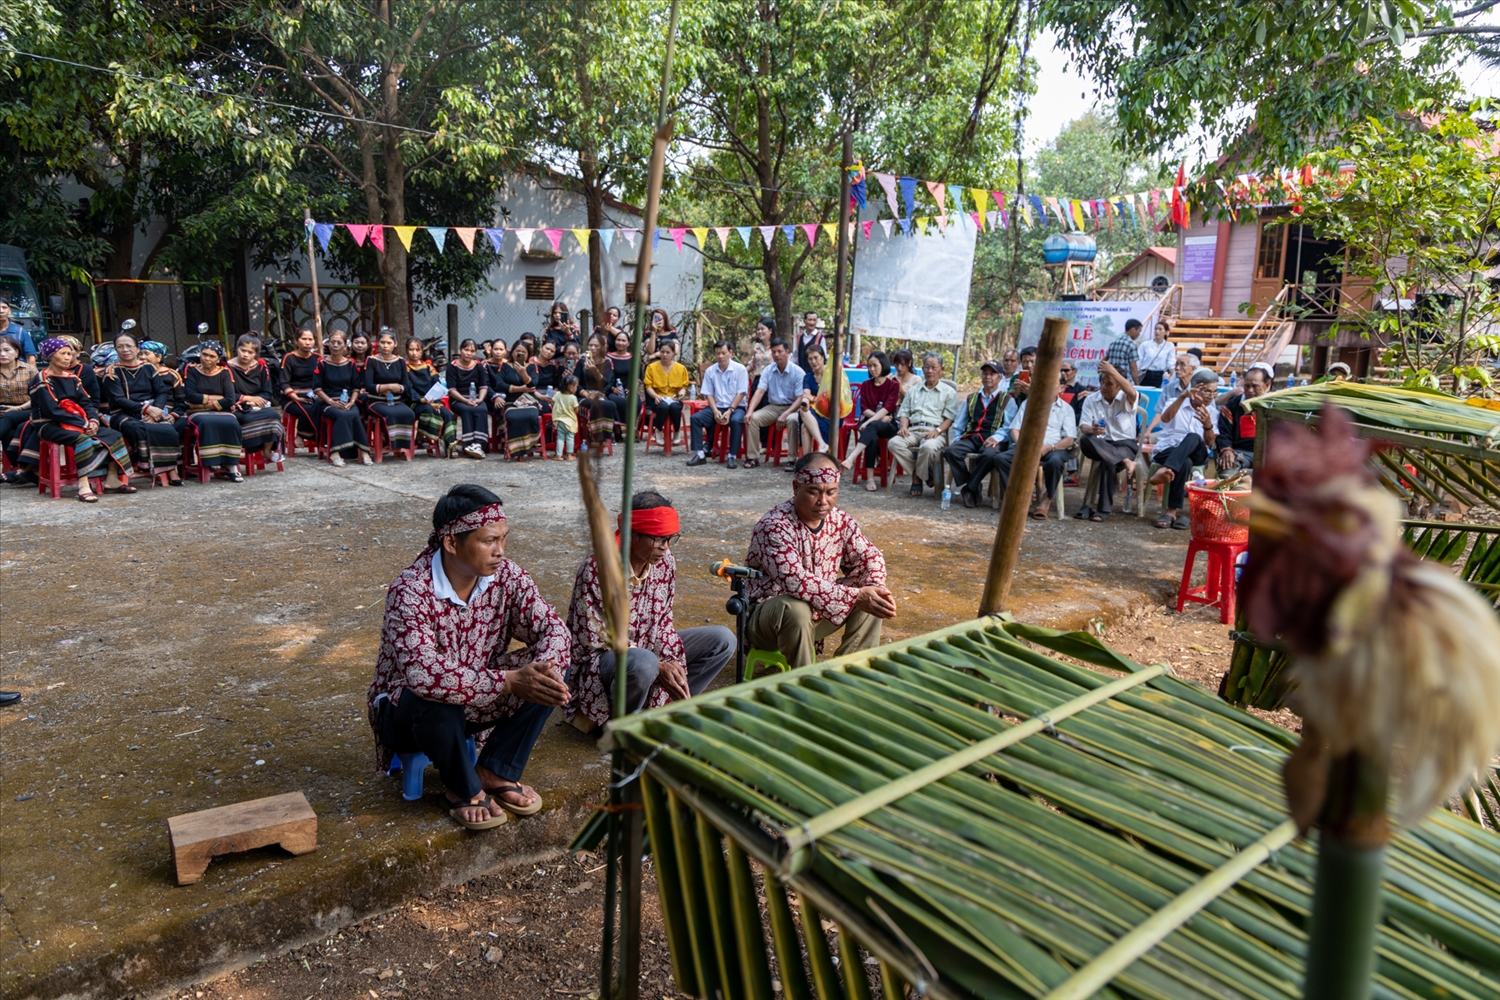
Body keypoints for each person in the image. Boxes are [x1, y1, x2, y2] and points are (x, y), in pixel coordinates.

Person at [367, 485, 571, 828]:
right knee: (431, 695)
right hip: (407, 714)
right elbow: (423, 675)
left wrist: (536, 673)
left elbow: (554, 630)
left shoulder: (508, 577)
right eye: (489, 540)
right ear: (451, 542)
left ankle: (495, 769)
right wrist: (507, 682)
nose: (500, 551)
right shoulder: (411, 590)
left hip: (478, 697)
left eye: (503, 539)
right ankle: (462, 788)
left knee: (547, 673)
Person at [566, 492, 734, 726]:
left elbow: (664, 621)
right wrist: (657, 663)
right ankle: (621, 724)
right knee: (643, 663)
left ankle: (670, 712)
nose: (665, 548)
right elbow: (596, 638)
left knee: (723, 640)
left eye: (670, 539)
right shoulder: (597, 568)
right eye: (658, 539)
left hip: (649, 647)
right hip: (604, 660)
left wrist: (669, 660)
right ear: (632, 535)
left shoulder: (666, 562)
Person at [744, 452, 895, 666]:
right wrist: (854, 596)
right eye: (813, 492)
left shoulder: (841, 521)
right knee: (795, 608)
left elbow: (870, 556)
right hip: (767, 622)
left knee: (873, 596)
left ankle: (849, 673)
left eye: (831, 492)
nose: (823, 501)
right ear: (796, 488)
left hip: (817, 614)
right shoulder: (774, 526)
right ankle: (806, 685)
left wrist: (874, 586)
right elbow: (796, 582)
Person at [21, 338, 134, 500]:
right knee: (82, 440)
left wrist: (93, 421)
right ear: (50, 356)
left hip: (78, 421)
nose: (68, 357)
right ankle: (84, 484)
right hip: (49, 424)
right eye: (63, 354)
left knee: (114, 435)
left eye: (69, 353)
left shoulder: (73, 378)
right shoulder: (41, 380)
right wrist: (83, 423)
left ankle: (111, 479)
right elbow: (52, 410)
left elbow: (86, 403)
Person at [994, 365, 1078, 519]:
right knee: (1002, 459)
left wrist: (1049, 447)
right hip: (1027, 446)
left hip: (1054, 448)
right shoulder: (1028, 404)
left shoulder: (1066, 409)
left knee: (1055, 462)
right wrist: (1023, 446)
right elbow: (1015, 430)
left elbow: (1069, 439)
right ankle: (1018, 496)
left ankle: (1046, 499)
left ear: (1061, 388)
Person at [104, 330, 182, 484]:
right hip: (123, 413)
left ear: (137, 348)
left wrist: (156, 410)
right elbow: (118, 399)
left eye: (129, 346)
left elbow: (161, 392)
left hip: (152, 410)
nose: (125, 349)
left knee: (169, 429)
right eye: (120, 347)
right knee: (137, 427)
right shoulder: (112, 371)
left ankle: (170, 469)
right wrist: (146, 410)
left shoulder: (149, 368)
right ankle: (148, 464)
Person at [1149, 367, 1220, 529]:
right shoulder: (1174, 402)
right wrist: (1183, 396)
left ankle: (1166, 469)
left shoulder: (1213, 412)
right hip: (1168, 450)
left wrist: (1208, 426)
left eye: (1214, 392)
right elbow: (1165, 420)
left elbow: (1209, 443)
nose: (1211, 396)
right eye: (1207, 391)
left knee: (1193, 437)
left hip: (1198, 453)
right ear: (1195, 388)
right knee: (1185, 462)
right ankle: (1171, 512)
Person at [1076, 360, 1141, 521]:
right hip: (1100, 443)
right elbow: (1083, 426)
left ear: (1119, 386)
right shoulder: (1092, 399)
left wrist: (1113, 372)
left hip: (1124, 444)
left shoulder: (1126, 398)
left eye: (1109, 383)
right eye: (1102, 382)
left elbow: (1132, 393)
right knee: (1085, 438)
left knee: (1108, 461)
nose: (1104, 386)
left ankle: (1103, 510)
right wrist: (1093, 429)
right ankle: (1125, 461)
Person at [888, 353, 957, 496]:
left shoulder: (948, 392)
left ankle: (917, 478)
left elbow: (949, 419)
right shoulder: (914, 390)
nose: (930, 371)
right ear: (922, 369)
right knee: (894, 443)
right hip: (912, 430)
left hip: (934, 431)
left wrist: (937, 430)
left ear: (941, 369)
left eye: (933, 367)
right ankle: (924, 474)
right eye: (927, 367)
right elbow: (904, 413)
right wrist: (903, 427)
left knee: (928, 446)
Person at [182, 341, 253, 481]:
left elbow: (230, 399)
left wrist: (201, 405)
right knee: (207, 422)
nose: (207, 359)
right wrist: (217, 399)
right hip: (197, 414)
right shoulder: (191, 369)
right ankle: (212, 462)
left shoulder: (225, 372)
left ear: (218, 359)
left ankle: (231, 465)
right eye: (204, 354)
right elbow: (190, 395)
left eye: (212, 356)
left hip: (219, 411)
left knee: (232, 423)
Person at [944, 359, 1008, 508]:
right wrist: (959, 439)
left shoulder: (1006, 399)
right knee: (951, 451)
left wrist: (996, 438)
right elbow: (959, 423)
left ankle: (969, 488)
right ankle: (972, 484)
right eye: (985, 373)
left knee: (990, 455)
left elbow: (1009, 426)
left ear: (999, 378)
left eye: (992, 374)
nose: (988, 377)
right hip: (972, 437)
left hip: (993, 439)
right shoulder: (971, 398)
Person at [839, 350, 899, 490]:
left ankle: (852, 457)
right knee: (871, 434)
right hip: (873, 422)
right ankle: (870, 479)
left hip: (888, 424)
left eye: (875, 365)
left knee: (871, 427)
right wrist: (874, 419)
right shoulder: (866, 385)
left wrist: (866, 422)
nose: (872, 369)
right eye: (869, 366)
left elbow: (887, 408)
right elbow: (864, 408)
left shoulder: (893, 385)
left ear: (883, 365)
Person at [742, 338, 805, 468]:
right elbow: (759, 392)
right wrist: (749, 411)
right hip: (774, 407)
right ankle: (753, 457)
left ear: (788, 352)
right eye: (774, 352)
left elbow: (800, 399)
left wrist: (785, 414)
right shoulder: (768, 370)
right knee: (752, 418)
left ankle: (792, 459)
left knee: (793, 420)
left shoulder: (798, 372)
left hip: (793, 408)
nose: (776, 355)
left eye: (780, 351)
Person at [315, 331, 373, 467]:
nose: (335, 345)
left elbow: (356, 388)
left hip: (347, 401)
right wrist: (331, 402)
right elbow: (317, 388)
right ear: (328, 344)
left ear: (345, 345)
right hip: (327, 402)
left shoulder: (350, 364)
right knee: (341, 415)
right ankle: (335, 452)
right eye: (332, 342)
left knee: (354, 413)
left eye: (339, 342)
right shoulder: (322, 364)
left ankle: (363, 451)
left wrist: (352, 402)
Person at [226, 333, 285, 464]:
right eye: (243, 350)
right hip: (237, 406)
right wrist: (246, 398)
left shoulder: (261, 366)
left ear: (255, 354)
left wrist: (255, 401)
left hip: (257, 405)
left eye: (250, 352)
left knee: (274, 415)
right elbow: (226, 393)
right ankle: (250, 447)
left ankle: (267, 450)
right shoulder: (227, 367)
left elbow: (267, 392)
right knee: (249, 418)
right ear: (237, 349)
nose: (245, 354)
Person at [687, 340, 747, 468]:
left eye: (723, 353)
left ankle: (732, 456)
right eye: (717, 353)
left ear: (731, 353)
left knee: (736, 421)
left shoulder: (740, 369)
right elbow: (709, 394)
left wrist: (730, 410)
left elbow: (741, 393)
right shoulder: (710, 371)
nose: (720, 356)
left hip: (736, 407)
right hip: (717, 406)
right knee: (695, 419)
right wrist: (715, 411)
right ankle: (700, 454)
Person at [365, 330, 416, 455]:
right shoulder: (371, 360)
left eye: (389, 342)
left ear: (395, 344)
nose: (385, 346)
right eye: (382, 342)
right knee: (390, 414)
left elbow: (406, 385)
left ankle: (401, 446)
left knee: (409, 413)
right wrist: (387, 387)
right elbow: (368, 386)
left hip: (396, 400)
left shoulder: (400, 362)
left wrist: (396, 388)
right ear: (378, 343)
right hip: (375, 401)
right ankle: (389, 443)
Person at [404, 337, 456, 457]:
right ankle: (421, 437)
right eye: (411, 349)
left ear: (422, 351)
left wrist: (435, 401)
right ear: (406, 350)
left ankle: (450, 445)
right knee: (428, 410)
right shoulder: (404, 367)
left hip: (432, 401)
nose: (414, 353)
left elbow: (436, 385)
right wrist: (422, 400)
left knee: (448, 414)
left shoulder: (428, 367)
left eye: (417, 350)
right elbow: (408, 388)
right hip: (414, 402)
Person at [1216, 363, 1272, 472]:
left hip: (1268, 455)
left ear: (1267, 385)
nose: (1250, 390)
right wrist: (1227, 450)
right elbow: (1223, 433)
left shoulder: (1276, 406)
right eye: (1247, 386)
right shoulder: (1231, 406)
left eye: (1255, 386)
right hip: (1240, 454)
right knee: (1227, 471)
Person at [495, 341, 544, 459]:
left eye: (524, 352)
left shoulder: (532, 366)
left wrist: (524, 374)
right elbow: (499, 384)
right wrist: (519, 388)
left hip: (528, 399)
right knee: (512, 417)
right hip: (511, 400)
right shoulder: (505, 366)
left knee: (531, 416)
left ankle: (529, 444)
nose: (520, 353)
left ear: (528, 354)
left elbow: (533, 385)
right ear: (512, 352)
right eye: (518, 351)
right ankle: (517, 448)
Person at [446, 338, 491, 459]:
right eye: (466, 350)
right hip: (458, 399)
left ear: (475, 353)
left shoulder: (478, 366)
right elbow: (451, 390)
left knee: (481, 409)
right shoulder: (452, 367)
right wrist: (465, 401)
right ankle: (468, 443)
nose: (468, 353)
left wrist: (480, 399)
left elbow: (483, 386)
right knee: (467, 409)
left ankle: (479, 444)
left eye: (472, 351)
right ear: (460, 350)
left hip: (475, 397)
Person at [578, 331, 625, 442]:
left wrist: (595, 371)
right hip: (584, 395)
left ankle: (605, 437)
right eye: (591, 345)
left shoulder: (607, 362)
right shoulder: (581, 361)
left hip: (601, 394)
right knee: (595, 404)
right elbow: (575, 382)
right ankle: (595, 437)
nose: (593, 348)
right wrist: (586, 394)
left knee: (609, 404)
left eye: (596, 346)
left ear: (602, 347)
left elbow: (607, 383)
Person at [0, 334, 35, 480]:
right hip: (3, 411)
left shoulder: (29, 370)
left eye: (7, 350)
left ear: (16, 352)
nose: (2, 354)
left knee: (10, 416)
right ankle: (22, 471)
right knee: (8, 432)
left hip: (27, 408)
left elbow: (38, 396)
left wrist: (18, 408)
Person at [279, 327, 322, 445]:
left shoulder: (317, 358)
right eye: (304, 339)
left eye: (310, 339)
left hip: (314, 396)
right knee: (308, 409)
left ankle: (307, 434)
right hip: (291, 398)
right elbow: (283, 382)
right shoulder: (289, 358)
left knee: (322, 408)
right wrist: (296, 397)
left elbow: (322, 380)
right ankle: (304, 435)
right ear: (296, 341)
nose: (307, 342)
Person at [643, 339, 689, 442]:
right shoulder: (651, 367)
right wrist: (655, 396)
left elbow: (683, 388)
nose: (664, 354)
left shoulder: (681, 368)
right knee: (663, 406)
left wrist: (679, 396)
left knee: (674, 406)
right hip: (658, 398)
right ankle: (658, 430)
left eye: (668, 352)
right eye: (662, 351)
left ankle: (677, 431)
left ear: (673, 353)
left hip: (674, 398)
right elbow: (648, 387)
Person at [796, 344, 834, 452]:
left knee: (804, 420)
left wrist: (812, 399)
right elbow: (805, 395)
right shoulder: (808, 377)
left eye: (816, 357)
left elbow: (830, 399)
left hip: (831, 413)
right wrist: (805, 402)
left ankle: (818, 448)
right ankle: (811, 457)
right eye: (810, 359)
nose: (813, 361)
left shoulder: (831, 375)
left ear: (823, 357)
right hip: (815, 412)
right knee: (804, 419)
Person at [1138, 320, 1176, 388]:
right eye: (1156, 329)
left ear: (1166, 332)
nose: (1157, 331)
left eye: (1160, 329)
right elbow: (1139, 361)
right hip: (1145, 374)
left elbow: (1171, 363)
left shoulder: (1169, 346)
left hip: (1159, 375)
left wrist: (1175, 379)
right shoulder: (1145, 344)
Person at [1105, 319, 1142, 385]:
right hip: (1125, 381)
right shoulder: (1132, 344)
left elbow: (1104, 360)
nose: (1139, 334)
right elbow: (1133, 367)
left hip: (1112, 380)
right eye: (1139, 331)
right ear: (1133, 330)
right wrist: (1137, 383)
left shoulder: (1113, 343)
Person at [0, 297, 37, 363]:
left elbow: (30, 357)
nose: (1, 311)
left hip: (17, 371)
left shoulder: (20, 332)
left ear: (9, 311)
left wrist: (31, 372)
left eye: (4, 307)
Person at [552, 374, 580, 460]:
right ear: (571, 387)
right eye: (576, 386)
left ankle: (559, 455)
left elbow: (553, 404)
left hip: (559, 421)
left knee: (560, 438)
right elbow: (576, 410)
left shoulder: (557, 394)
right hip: (570, 422)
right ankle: (569, 455)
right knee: (570, 438)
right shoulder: (573, 398)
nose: (576, 388)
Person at [747, 316, 775, 386]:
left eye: (762, 329)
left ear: (770, 330)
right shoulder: (757, 346)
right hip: (758, 381)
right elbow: (753, 364)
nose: (759, 331)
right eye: (758, 329)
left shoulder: (777, 346)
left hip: (772, 381)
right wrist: (740, 372)